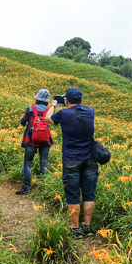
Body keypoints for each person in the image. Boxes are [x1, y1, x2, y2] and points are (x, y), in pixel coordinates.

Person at [46, 87, 98, 239]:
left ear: (66, 100)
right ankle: (88, 227)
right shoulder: (90, 110)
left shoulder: (63, 113)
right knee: (89, 194)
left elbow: (48, 119)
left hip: (71, 160)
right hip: (90, 159)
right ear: (81, 100)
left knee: (73, 195)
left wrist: (54, 105)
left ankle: (75, 229)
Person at [16, 89, 54, 195]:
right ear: (47, 100)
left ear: (37, 98)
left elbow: (23, 122)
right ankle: (43, 188)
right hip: (46, 140)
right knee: (44, 163)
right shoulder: (48, 110)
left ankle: (27, 187)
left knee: (27, 163)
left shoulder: (30, 108)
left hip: (31, 139)